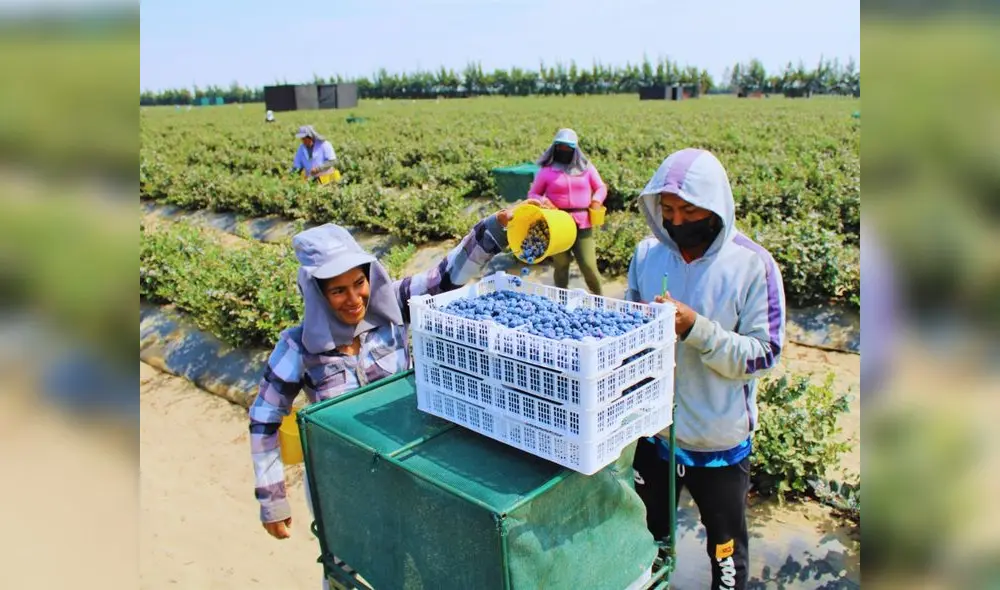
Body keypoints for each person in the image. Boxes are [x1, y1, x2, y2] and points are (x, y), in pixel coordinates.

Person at [247, 204, 520, 589]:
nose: (354, 298)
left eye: (358, 283)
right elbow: (264, 419)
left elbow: (445, 276)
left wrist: (494, 228)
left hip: (404, 468)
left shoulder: (390, 308)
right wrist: (272, 499)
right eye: (338, 290)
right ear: (317, 294)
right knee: (348, 567)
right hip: (341, 483)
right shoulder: (299, 347)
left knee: (420, 559)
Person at [627, 148, 786, 590]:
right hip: (655, 435)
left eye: (690, 211)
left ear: (715, 208)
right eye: (668, 211)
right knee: (647, 541)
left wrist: (696, 328)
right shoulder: (648, 256)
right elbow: (627, 329)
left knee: (725, 552)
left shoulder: (751, 266)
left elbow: (765, 353)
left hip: (718, 442)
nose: (677, 222)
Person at [527, 128, 607, 295]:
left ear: (575, 149)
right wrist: (544, 201)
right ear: (555, 148)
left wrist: (596, 200)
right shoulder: (547, 171)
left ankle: (600, 299)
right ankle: (561, 299)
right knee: (561, 263)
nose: (564, 150)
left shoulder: (586, 168)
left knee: (588, 265)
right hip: (558, 223)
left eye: (567, 148)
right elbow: (533, 194)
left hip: (583, 222)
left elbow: (600, 187)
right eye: (560, 147)